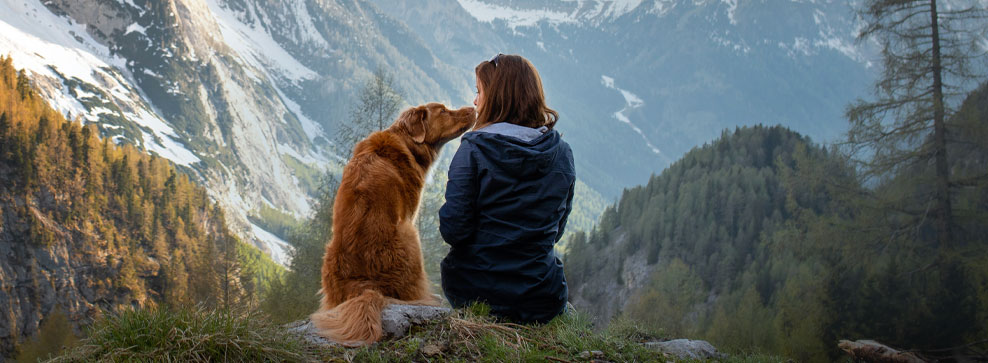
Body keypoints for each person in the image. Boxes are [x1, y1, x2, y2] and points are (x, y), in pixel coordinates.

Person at [439, 53, 575, 324]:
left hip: (475, 294)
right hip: (542, 297)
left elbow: (454, 230)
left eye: (480, 92)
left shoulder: (473, 151)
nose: (475, 101)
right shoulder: (561, 153)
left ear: (500, 96)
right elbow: (556, 231)